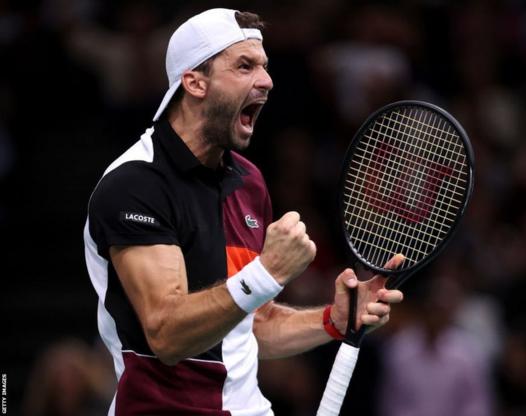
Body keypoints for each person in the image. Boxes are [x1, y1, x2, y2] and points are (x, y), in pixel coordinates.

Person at [83, 8, 403, 416]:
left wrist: (333, 320)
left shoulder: (248, 182)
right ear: (195, 81)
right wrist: (266, 272)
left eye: (265, 67)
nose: (267, 81)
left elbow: (252, 326)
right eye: (245, 66)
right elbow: (167, 335)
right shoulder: (134, 186)